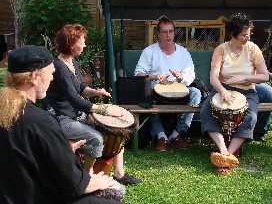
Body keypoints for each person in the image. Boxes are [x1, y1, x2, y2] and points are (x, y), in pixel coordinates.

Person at [0, 45, 124, 204]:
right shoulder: (40, 121)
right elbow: (71, 183)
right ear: (34, 77)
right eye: (51, 73)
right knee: (115, 196)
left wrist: (60, 151)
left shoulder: (7, 111)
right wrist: (97, 182)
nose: (52, 78)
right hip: (36, 197)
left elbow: (20, 155)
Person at [44, 24, 141, 185]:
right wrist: (104, 110)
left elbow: (81, 89)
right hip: (61, 118)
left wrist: (96, 92)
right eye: (82, 41)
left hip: (74, 115)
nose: (84, 45)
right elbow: (75, 99)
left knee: (117, 131)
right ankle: (87, 177)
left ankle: (118, 173)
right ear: (71, 43)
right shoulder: (59, 67)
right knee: (96, 138)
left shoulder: (72, 62)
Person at [200, 13, 269, 175]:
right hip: (223, 88)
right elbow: (213, 78)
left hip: (247, 91)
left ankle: (228, 155)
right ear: (233, 34)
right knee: (205, 110)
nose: (248, 37)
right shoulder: (221, 50)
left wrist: (245, 77)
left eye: (249, 34)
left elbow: (264, 76)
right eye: (245, 34)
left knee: (251, 116)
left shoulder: (253, 49)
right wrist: (223, 90)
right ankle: (223, 149)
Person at [134, 15, 201, 152]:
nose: (168, 35)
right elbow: (138, 73)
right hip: (157, 93)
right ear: (158, 34)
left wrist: (181, 77)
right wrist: (154, 76)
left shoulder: (183, 52)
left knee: (196, 93)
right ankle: (161, 136)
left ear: (174, 33)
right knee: (147, 97)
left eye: (171, 31)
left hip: (180, 92)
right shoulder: (150, 51)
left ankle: (177, 133)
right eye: (164, 32)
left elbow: (191, 74)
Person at [254, 74, 272, 141]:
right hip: (229, 80)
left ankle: (258, 131)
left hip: (252, 81)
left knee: (270, 95)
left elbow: (261, 68)